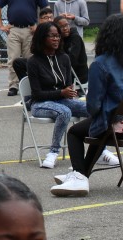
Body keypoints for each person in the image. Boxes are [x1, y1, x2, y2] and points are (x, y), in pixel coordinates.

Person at [52, 14, 123, 197]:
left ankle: (79, 179)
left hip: (117, 127)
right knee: (99, 125)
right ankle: (80, 173)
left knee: (76, 132)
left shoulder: (100, 64)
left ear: (105, 36)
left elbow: (93, 107)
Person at [28, 21, 88, 169]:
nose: (56, 39)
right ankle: (53, 152)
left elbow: (66, 85)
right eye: (52, 36)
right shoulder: (33, 62)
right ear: (42, 38)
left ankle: (99, 150)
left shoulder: (64, 58)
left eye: (58, 36)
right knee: (64, 112)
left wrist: (69, 91)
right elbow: (37, 94)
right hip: (40, 104)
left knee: (93, 108)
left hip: (62, 101)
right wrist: (61, 92)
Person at [0, 0, 52, 95]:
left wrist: (39, 25)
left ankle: (32, 85)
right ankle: (13, 86)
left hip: (30, 30)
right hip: (13, 29)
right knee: (13, 59)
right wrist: (1, 25)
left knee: (31, 60)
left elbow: (46, 8)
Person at [56, 16, 89, 85]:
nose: (65, 28)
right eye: (61, 27)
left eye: (66, 25)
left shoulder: (75, 37)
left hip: (78, 77)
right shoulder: (59, 39)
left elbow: (71, 60)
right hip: (67, 75)